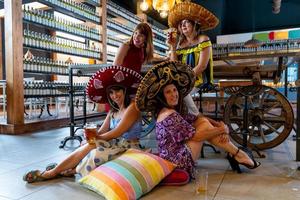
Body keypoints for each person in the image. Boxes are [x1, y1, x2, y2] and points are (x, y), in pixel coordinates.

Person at [135, 61, 261, 178]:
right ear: (162, 97)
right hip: (176, 161)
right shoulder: (169, 114)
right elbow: (196, 136)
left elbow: (197, 118)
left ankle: (237, 154)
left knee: (203, 122)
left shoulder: (168, 111)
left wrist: (219, 125)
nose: (174, 94)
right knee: (204, 127)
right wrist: (221, 129)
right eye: (168, 92)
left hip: (172, 155)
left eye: (174, 90)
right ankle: (238, 154)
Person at [23, 66, 144, 183]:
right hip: (115, 144)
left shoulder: (132, 107)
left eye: (117, 90)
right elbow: (102, 131)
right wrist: (91, 138)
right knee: (89, 144)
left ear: (124, 90)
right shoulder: (113, 111)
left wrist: (96, 138)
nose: (114, 95)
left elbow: (118, 132)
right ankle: (61, 170)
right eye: (111, 93)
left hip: (129, 146)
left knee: (94, 146)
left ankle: (56, 171)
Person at [166, 2, 219, 116]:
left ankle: (196, 116)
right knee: (169, 89)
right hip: (182, 80)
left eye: (187, 22)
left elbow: (202, 66)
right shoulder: (180, 44)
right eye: (181, 23)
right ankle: (177, 117)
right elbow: (173, 65)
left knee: (180, 90)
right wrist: (173, 46)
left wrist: (185, 79)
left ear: (195, 24)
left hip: (199, 79)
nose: (183, 25)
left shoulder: (203, 39)